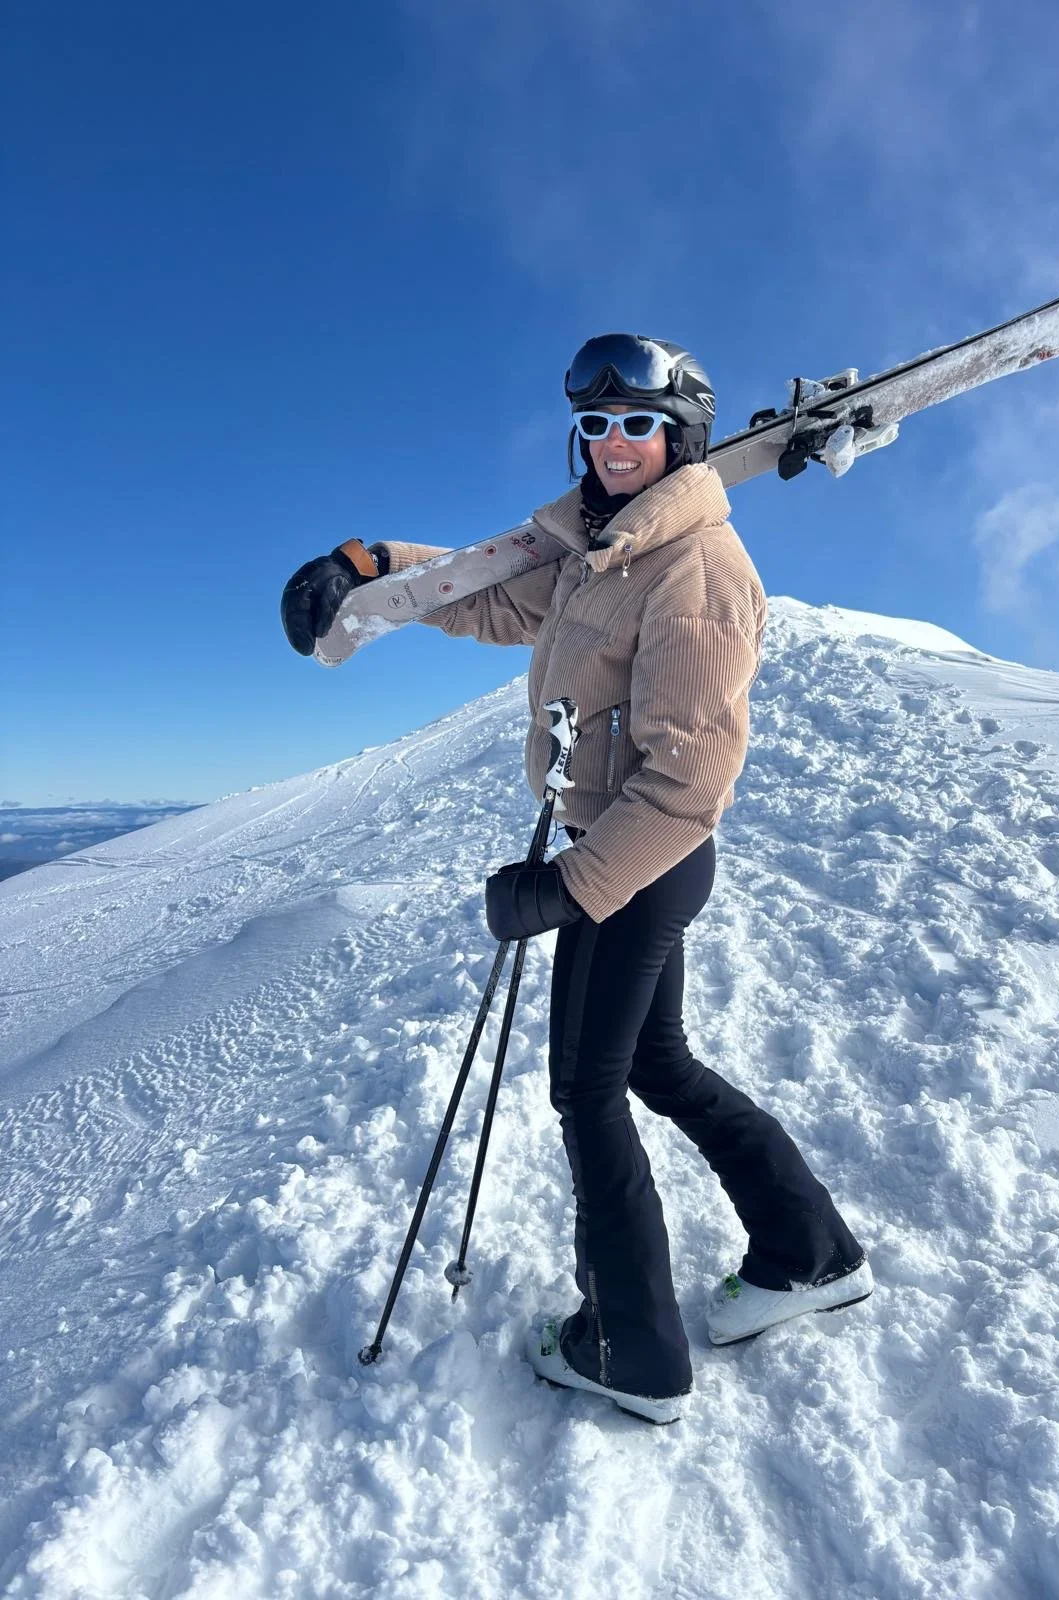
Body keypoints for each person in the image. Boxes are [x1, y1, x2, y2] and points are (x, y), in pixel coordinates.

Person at [281, 334, 872, 1425]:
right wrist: (367, 567)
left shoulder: (693, 571)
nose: (611, 445)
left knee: (586, 1089)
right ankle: (811, 1248)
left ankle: (634, 1348)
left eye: (636, 425)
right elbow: (491, 599)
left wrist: (563, 892)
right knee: (657, 1064)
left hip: (635, 867)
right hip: (627, 863)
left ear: (681, 435)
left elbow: (689, 784)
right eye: (594, 425)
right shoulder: (601, 551)